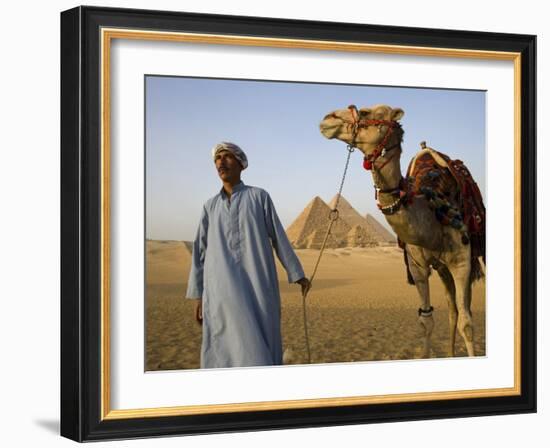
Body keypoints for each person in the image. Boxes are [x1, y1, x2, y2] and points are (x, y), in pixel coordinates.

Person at [186, 142, 311, 368]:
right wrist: (198, 295)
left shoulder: (259, 197)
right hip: (220, 290)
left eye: (227, 157)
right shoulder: (209, 207)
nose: (221, 162)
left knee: (261, 342)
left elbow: (278, 237)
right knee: (222, 347)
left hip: (257, 284)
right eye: (217, 158)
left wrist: (297, 273)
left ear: (241, 164)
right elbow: (199, 252)